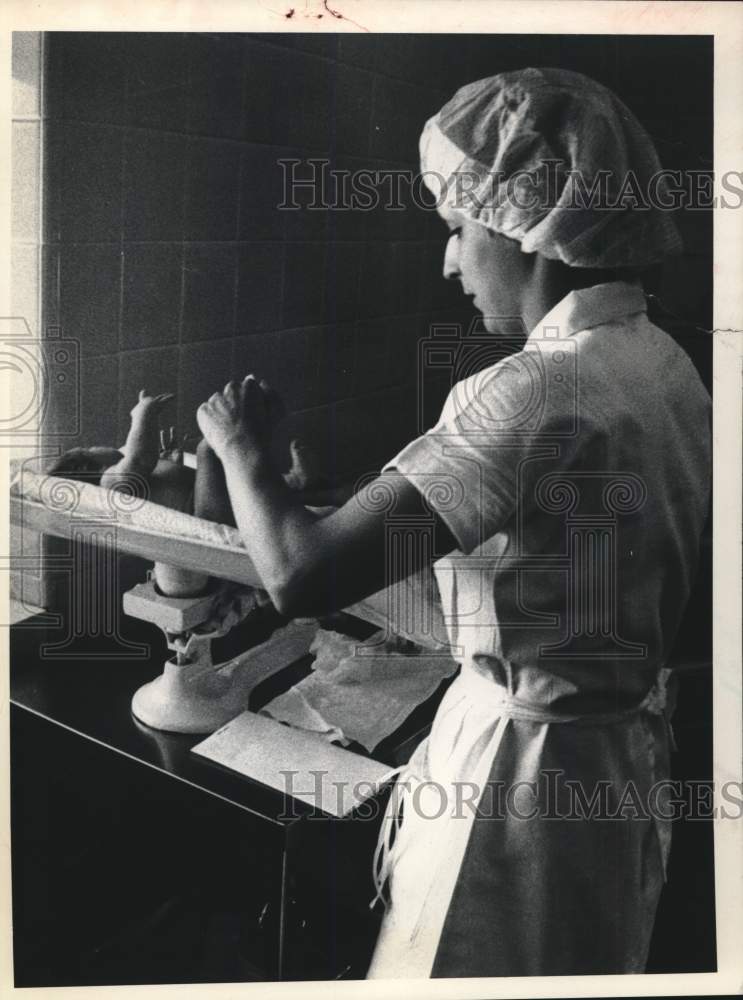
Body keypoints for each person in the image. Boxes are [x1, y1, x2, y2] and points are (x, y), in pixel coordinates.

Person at [194, 68, 711, 978]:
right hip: (610, 761)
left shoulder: (531, 387)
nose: (448, 264)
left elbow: (299, 576)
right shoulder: (662, 361)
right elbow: (561, 563)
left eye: (455, 230)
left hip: (508, 790)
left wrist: (243, 453)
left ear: (525, 225)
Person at [47, 388, 332, 597]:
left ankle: (296, 483)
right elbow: (139, 457)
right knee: (209, 450)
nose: (102, 446)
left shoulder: (124, 483)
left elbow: (155, 471)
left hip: (205, 505)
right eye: (91, 448)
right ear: (88, 465)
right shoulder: (110, 487)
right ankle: (294, 481)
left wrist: (169, 459)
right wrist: (143, 415)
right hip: (205, 517)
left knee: (235, 476)